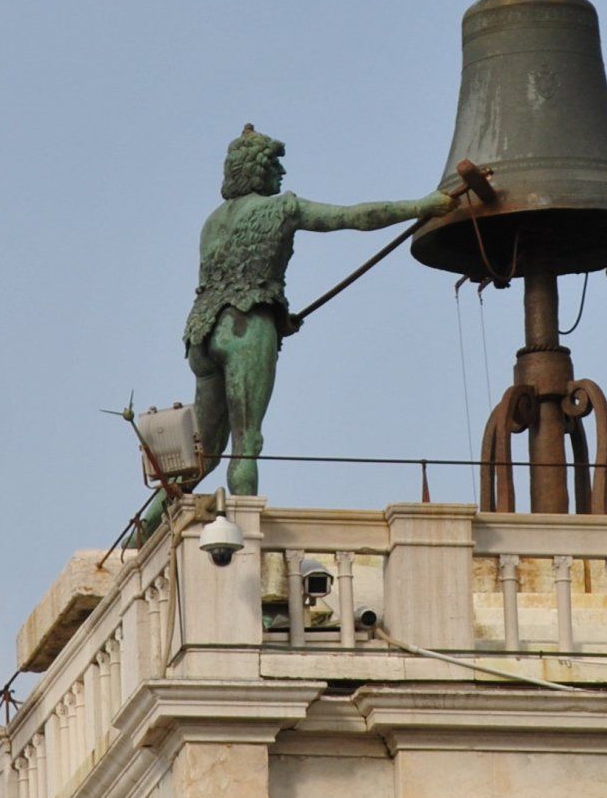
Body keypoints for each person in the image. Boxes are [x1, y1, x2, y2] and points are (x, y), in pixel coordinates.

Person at [149, 126, 454, 514]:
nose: (282, 174)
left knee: (201, 455)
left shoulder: (212, 222)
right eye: (275, 164)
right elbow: (353, 218)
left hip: (202, 333)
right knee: (247, 441)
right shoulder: (282, 207)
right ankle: (244, 529)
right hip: (246, 327)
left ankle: (144, 528)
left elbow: (226, 277)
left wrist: (279, 317)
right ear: (258, 171)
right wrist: (419, 208)